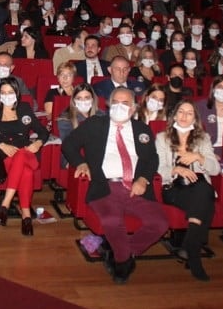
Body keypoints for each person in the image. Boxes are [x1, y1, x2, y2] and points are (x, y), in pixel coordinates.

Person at [61, 87, 169, 284]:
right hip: (105, 186)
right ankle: (123, 262)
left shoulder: (142, 130)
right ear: (109, 105)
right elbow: (68, 145)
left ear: (134, 108)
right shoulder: (95, 124)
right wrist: (81, 162)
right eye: (116, 102)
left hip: (135, 186)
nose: (120, 106)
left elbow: (152, 159)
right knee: (111, 220)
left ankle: (123, 253)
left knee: (160, 223)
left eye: (125, 103)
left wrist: (143, 179)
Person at [156, 100, 220, 281]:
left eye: (189, 113)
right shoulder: (162, 138)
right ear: (174, 115)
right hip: (175, 187)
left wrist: (199, 157)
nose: (184, 116)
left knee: (203, 189)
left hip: (199, 187)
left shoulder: (203, 138)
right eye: (181, 112)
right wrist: (176, 169)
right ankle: (193, 246)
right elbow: (158, 168)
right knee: (206, 194)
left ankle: (191, 248)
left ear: (195, 117)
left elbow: (215, 170)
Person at [0, 77, 50, 236]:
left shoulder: (24, 108)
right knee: (26, 173)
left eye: (10, 92)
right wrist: (1, 145)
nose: (6, 95)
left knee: (21, 155)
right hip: (4, 155)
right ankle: (26, 216)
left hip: (26, 153)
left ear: (17, 93)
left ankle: (5, 203)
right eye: (3, 93)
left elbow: (43, 131)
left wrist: (38, 143)